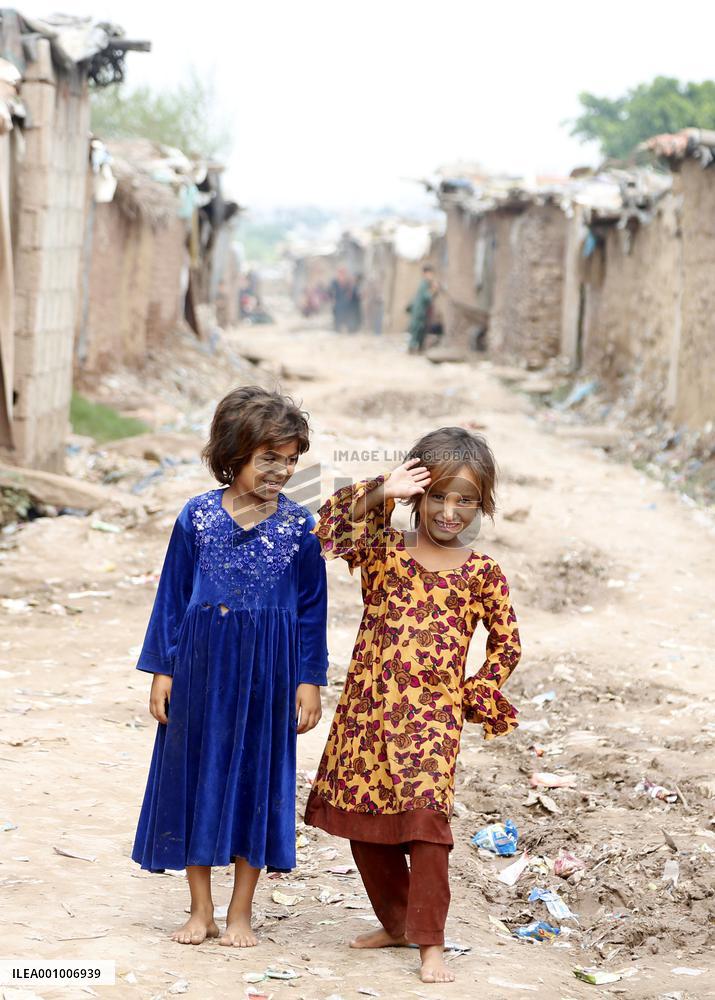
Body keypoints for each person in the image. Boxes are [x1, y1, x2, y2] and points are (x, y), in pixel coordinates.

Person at [305, 427, 521, 984]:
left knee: (427, 826)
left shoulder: (482, 573)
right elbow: (326, 529)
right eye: (438, 496)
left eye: (465, 500)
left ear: (482, 505)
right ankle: (396, 923)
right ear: (418, 495)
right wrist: (383, 490)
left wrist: (480, 688)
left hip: (431, 721)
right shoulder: (384, 554)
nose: (450, 512)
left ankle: (431, 942)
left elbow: (507, 642)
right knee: (364, 823)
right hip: (367, 715)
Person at [132, 386, 329, 948]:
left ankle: (242, 911)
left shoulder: (300, 530)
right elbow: (171, 598)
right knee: (196, 775)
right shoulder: (195, 518)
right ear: (234, 453)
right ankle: (201, 909)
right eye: (270, 457)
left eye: (292, 459)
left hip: (269, 676)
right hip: (200, 669)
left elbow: (313, 611)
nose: (282, 470)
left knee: (256, 783)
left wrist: (309, 680)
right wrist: (161, 670)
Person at [407, 265, 439, 353]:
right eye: (429, 274)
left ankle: (419, 348)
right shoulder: (424, 284)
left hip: (423, 312)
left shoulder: (427, 284)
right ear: (425, 274)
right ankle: (412, 348)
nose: (431, 276)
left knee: (422, 330)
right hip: (419, 312)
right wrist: (433, 289)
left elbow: (432, 297)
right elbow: (427, 297)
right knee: (416, 329)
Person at [328, 266, 353, 332]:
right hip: (337, 303)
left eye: (343, 272)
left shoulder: (348, 282)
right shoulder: (334, 282)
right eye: (340, 272)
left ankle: (348, 330)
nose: (341, 274)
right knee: (337, 319)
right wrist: (332, 299)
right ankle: (337, 329)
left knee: (347, 318)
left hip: (346, 304)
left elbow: (351, 291)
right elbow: (330, 292)